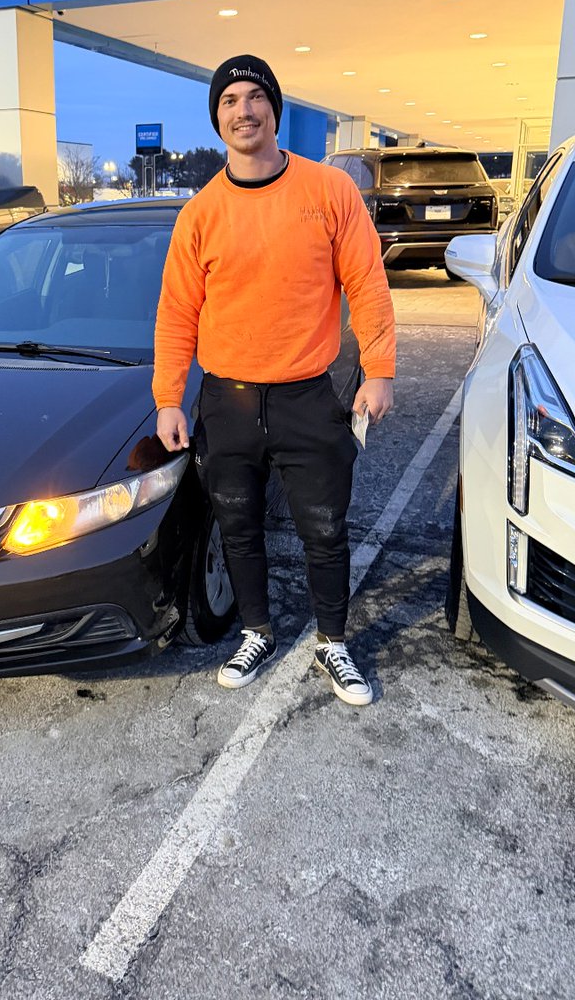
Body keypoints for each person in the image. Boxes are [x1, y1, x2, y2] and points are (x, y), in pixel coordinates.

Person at [153, 54, 396, 704]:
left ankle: (333, 644)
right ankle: (256, 630)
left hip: (306, 400)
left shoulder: (327, 192)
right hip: (226, 405)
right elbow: (177, 311)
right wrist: (167, 398)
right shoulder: (200, 214)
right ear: (217, 118)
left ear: (274, 108)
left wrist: (380, 369)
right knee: (237, 527)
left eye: (254, 95)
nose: (243, 109)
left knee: (324, 527)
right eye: (229, 99)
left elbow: (366, 283)